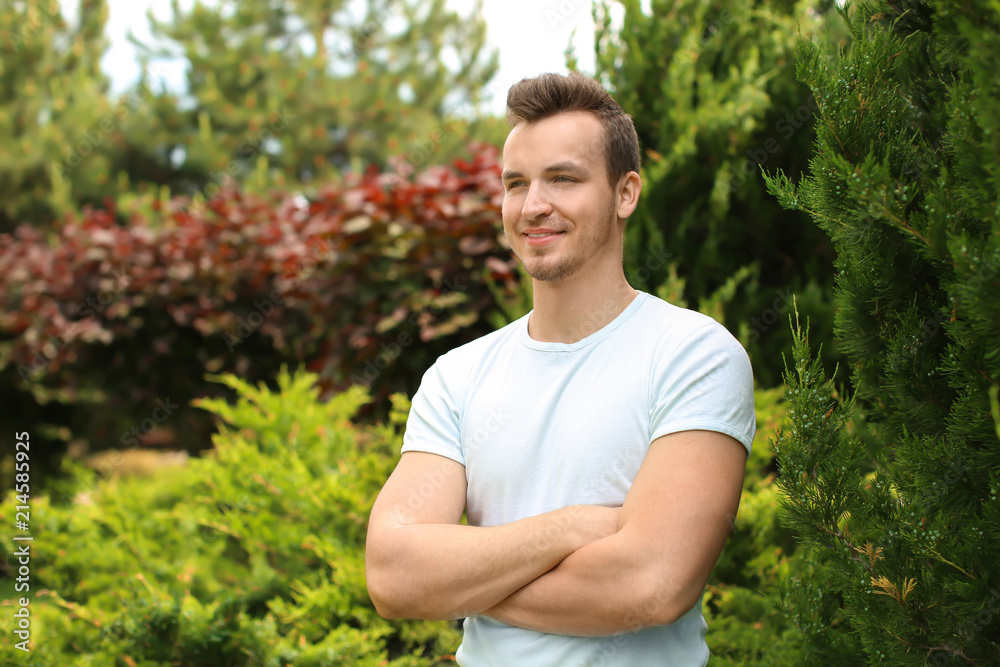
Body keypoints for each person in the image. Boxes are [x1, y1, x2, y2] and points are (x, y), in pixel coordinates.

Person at [365, 71, 756, 666]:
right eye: (515, 184)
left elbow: (652, 585)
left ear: (625, 193)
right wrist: (568, 528)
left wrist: (462, 583)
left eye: (564, 179)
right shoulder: (457, 376)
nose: (533, 206)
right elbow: (393, 577)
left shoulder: (693, 355)